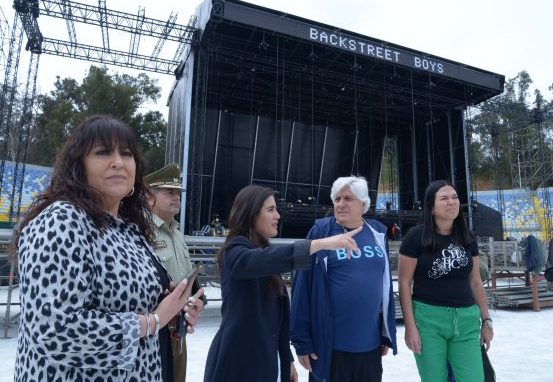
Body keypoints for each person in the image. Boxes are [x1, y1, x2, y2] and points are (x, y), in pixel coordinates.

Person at [13, 115, 203, 382]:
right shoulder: (61, 220)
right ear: (78, 166)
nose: (118, 162)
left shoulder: (129, 229)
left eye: (127, 154)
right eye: (103, 152)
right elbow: (53, 332)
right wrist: (153, 321)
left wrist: (175, 310)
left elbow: (136, 306)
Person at [203, 185, 362, 382]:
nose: (278, 215)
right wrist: (320, 244)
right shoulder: (234, 251)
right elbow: (261, 260)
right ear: (250, 214)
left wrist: (286, 359)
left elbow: (273, 320)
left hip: (264, 363)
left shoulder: (261, 251)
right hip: (236, 365)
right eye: (270, 210)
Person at [291, 176, 397, 382]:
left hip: (370, 347)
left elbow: (384, 285)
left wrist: (385, 332)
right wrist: (301, 342)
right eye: (337, 198)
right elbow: (302, 288)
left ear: (363, 203)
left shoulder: (378, 233)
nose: (340, 204)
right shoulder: (321, 232)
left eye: (348, 198)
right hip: (330, 348)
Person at [398, 179, 493, 382]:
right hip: (428, 320)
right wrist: (410, 326)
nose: (452, 202)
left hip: (467, 320)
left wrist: (486, 320)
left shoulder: (467, 237)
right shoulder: (415, 237)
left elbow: (475, 282)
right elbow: (405, 283)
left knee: (474, 378)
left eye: (455, 197)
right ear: (431, 207)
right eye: (444, 198)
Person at [145, 163, 207, 382]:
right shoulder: (141, 231)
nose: (176, 197)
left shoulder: (178, 233)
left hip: (178, 328)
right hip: (153, 330)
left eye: (178, 193)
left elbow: (186, 275)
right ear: (149, 197)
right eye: (169, 192)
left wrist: (196, 300)